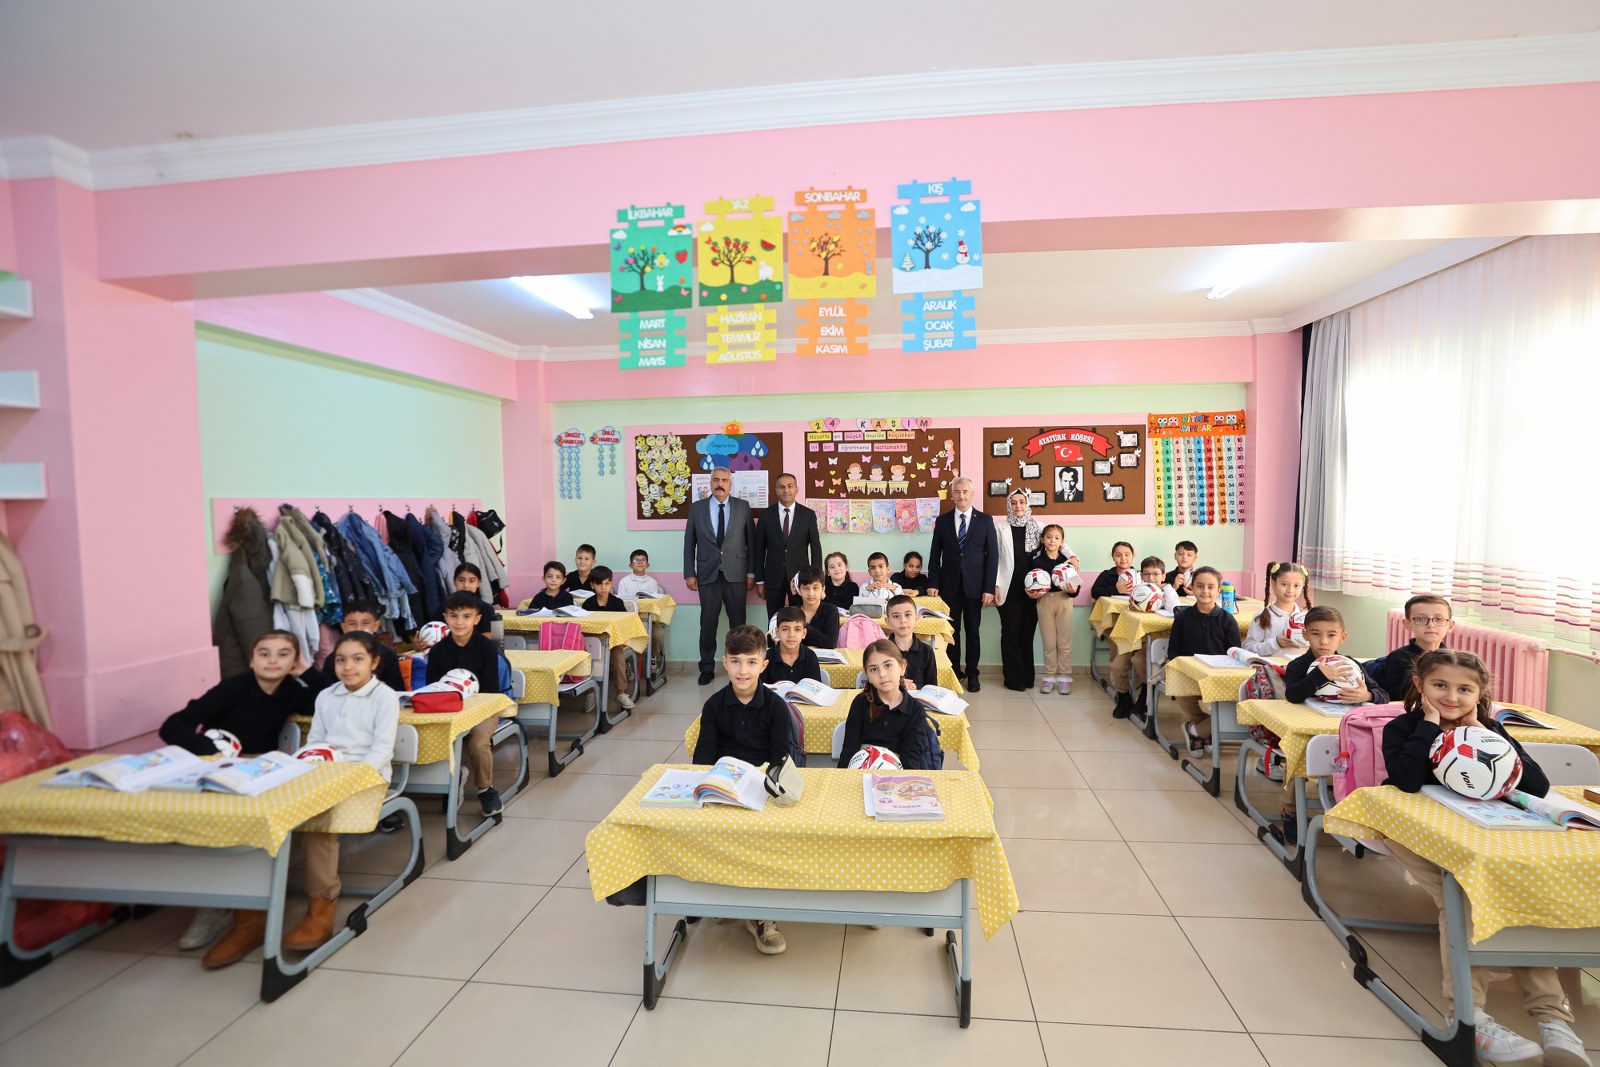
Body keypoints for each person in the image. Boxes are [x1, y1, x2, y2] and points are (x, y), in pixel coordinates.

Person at [1381, 649, 1587, 1066]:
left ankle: (1552, 1019)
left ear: (1480, 694)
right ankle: (1468, 1016)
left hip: (1481, 834)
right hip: (1412, 830)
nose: (1451, 697)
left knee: (1515, 894)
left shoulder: (1489, 730)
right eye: (1440, 685)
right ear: (1419, 685)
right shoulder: (1403, 727)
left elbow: (1536, 785)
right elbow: (1405, 780)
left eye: (1464, 689)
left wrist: (1486, 734)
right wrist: (1429, 726)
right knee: (1465, 898)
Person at [202, 631, 398, 969]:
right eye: (340, 660)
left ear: (374, 662)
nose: (348, 667)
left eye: (358, 659)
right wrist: (308, 767)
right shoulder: (326, 696)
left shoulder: (385, 697)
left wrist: (350, 778)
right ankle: (250, 916)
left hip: (367, 778)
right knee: (266, 809)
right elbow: (317, 741)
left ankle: (321, 906)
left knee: (320, 820)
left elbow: (381, 750)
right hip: (324, 771)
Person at [163, 630, 330, 955]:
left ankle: (243, 906)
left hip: (257, 775)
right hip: (214, 769)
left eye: (283, 654)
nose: (272, 660)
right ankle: (213, 906)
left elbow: (327, 702)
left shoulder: (293, 691)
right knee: (210, 828)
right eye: (264, 653)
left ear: (294, 661)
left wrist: (308, 671)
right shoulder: (232, 689)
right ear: (252, 659)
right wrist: (211, 751)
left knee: (251, 828)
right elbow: (173, 725)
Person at [690, 625, 791, 955]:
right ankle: (722, 893)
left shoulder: (776, 707)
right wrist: (709, 789)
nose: (743, 670)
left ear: (764, 665)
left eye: (751, 662)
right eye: (735, 661)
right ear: (725, 663)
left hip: (761, 789)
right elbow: (703, 759)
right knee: (707, 831)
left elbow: (780, 760)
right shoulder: (714, 706)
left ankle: (761, 914)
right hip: (723, 787)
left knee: (762, 842)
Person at [426, 591, 508, 815]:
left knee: (478, 741)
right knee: (433, 735)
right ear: (445, 618)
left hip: (484, 710)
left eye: (466, 616)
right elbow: (432, 689)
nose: (459, 622)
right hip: (448, 710)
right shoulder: (437, 651)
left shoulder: (487, 648)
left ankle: (486, 790)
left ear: (477, 619)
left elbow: (491, 692)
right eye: (453, 616)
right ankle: (451, 781)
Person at [683, 467, 755, 685]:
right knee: (707, 624)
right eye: (716, 480)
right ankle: (706, 667)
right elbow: (689, 543)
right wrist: (689, 573)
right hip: (707, 574)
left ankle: (740, 668)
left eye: (724, 480)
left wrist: (751, 572)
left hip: (736, 574)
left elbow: (751, 543)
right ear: (710, 483)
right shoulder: (697, 508)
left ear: (731, 484)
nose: (720, 484)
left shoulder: (743, 507)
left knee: (738, 626)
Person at [925, 478, 998, 691]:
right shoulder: (942, 521)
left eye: (965, 491)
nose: (961, 495)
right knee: (952, 633)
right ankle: (955, 672)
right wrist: (933, 582)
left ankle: (973, 673)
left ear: (972, 494)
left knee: (973, 632)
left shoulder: (985, 520)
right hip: (949, 586)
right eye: (957, 491)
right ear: (952, 495)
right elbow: (934, 554)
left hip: (976, 587)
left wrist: (988, 588)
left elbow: (992, 557)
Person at [1169, 568, 1244, 752]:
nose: (1205, 591)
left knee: (1231, 704)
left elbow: (1235, 653)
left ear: (1219, 590)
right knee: (1182, 695)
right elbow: (1174, 650)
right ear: (1192, 588)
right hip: (1189, 673)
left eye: (1211, 587)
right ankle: (1205, 731)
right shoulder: (1182, 617)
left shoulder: (1227, 620)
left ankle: (1196, 731)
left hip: (1218, 675)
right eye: (1200, 586)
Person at [837, 640, 931, 770]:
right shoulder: (860, 703)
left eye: (888, 665)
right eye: (874, 669)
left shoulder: (916, 710)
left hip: (898, 778)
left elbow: (911, 763)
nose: (882, 674)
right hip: (860, 775)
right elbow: (849, 751)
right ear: (867, 675)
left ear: (902, 667)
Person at [1283, 606, 1388, 707]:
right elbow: (1292, 696)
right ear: (1306, 635)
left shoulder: (1350, 665)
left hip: (1343, 718)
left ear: (1342, 637)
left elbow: (1384, 695)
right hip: (1307, 718)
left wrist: (1368, 696)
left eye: (1331, 635)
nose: (1323, 642)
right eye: (1316, 634)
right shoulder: (1297, 665)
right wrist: (1320, 675)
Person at [752, 472, 821, 619]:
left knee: (799, 619)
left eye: (790, 486)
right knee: (773, 619)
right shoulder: (766, 515)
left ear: (796, 489)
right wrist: (760, 580)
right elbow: (759, 550)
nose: (786, 490)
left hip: (800, 578)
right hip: (772, 578)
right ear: (776, 490)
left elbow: (816, 548)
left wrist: (817, 579)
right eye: (782, 487)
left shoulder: (808, 515)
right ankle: (773, 636)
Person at [994, 489, 1043, 691]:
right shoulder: (1000, 528)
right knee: (1011, 634)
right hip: (1008, 590)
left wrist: (1073, 557)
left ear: (1027, 504)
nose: (1018, 506)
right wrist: (995, 584)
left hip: (1033, 591)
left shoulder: (1038, 527)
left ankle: (1027, 678)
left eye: (1022, 502)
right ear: (1009, 505)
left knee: (1027, 635)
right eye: (1013, 502)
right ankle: (1014, 680)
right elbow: (994, 559)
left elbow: (1059, 542)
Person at [1109, 555, 1167, 718]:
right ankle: (1124, 696)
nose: (1151, 578)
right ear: (1141, 576)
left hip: (1156, 642)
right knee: (1118, 665)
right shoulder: (1137, 594)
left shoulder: (1168, 594)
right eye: (1147, 574)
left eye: (1156, 574)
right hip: (1135, 640)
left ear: (1163, 576)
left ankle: (1145, 694)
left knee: (1140, 661)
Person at [1369, 594, 1455, 703]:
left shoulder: (1454, 660)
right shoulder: (1398, 658)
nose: (1431, 625)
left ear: (1450, 625)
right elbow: (1402, 696)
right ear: (1407, 624)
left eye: (1438, 619)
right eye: (1421, 619)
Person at [1030, 524, 1080, 695]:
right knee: (1049, 642)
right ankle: (1049, 677)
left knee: (1064, 643)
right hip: (1044, 602)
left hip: (1064, 601)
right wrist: (1032, 593)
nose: (1052, 541)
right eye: (1049, 537)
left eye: (1057, 538)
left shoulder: (1068, 562)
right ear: (1042, 540)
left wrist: (1073, 590)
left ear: (1062, 541)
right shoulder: (1036, 562)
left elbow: (1076, 588)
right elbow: (1031, 585)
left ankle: (1065, 678)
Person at [583, 566, 635, 711]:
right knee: (583, 655)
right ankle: (589, 691)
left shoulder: (617, 603)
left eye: (607, 583)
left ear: (611, 583)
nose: (603, 587)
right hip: (593, 642)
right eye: (599, 584)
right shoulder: (587, 604)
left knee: (618, 656)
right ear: (592, 585)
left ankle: (621, 692)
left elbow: (624, 624)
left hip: (614, 642)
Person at [1239, 562, 1311, 656]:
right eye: (1284, 584)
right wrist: (1276, 643)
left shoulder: (1308, 617)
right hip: (1271, 665)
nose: (1290, 590)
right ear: (1273, 584)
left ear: (1303, 586)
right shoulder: (1262, 617)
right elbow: (1248, 649)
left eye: (1296, 585)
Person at [331, 600, 407, 690]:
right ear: (343, 627)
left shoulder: (387, 655)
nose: (358, 628)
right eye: (352, 624)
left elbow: (398, 688)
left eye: (365, 623)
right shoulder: (334, 658)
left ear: (376, 625)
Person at [883, 594, 937, 690]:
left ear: (916, 618)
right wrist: (898, 683)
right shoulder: (882, 651)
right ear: (888, 621)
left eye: (908, 615)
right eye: (896, 616)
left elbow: (932, 687)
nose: (902, 620)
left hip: (918, 698)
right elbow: (876, 683)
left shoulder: (927, 651)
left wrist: (916, 687)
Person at [761, 606, 823, 685]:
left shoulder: (810, 656)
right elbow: (760, 689)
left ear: (804, 633)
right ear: (777, 632)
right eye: (785, 629)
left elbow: (816, 689)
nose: (791, 634)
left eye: (797, 629)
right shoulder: (767, 657)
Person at [795, 565, 840, 649]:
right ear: (799, 590)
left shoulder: (830, 610)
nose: (811, 593)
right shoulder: (793, 613)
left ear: (823, 589)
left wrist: (802, 626)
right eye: (806, 588)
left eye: (815, 588)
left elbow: (830, 643)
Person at [451, 562, 494, 635]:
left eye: (471, 581)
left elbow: (486, 638)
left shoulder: (486, 610)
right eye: (461, 580)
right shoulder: (444, 608)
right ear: (454, 581)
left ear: (478, 583)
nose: (466, 585)